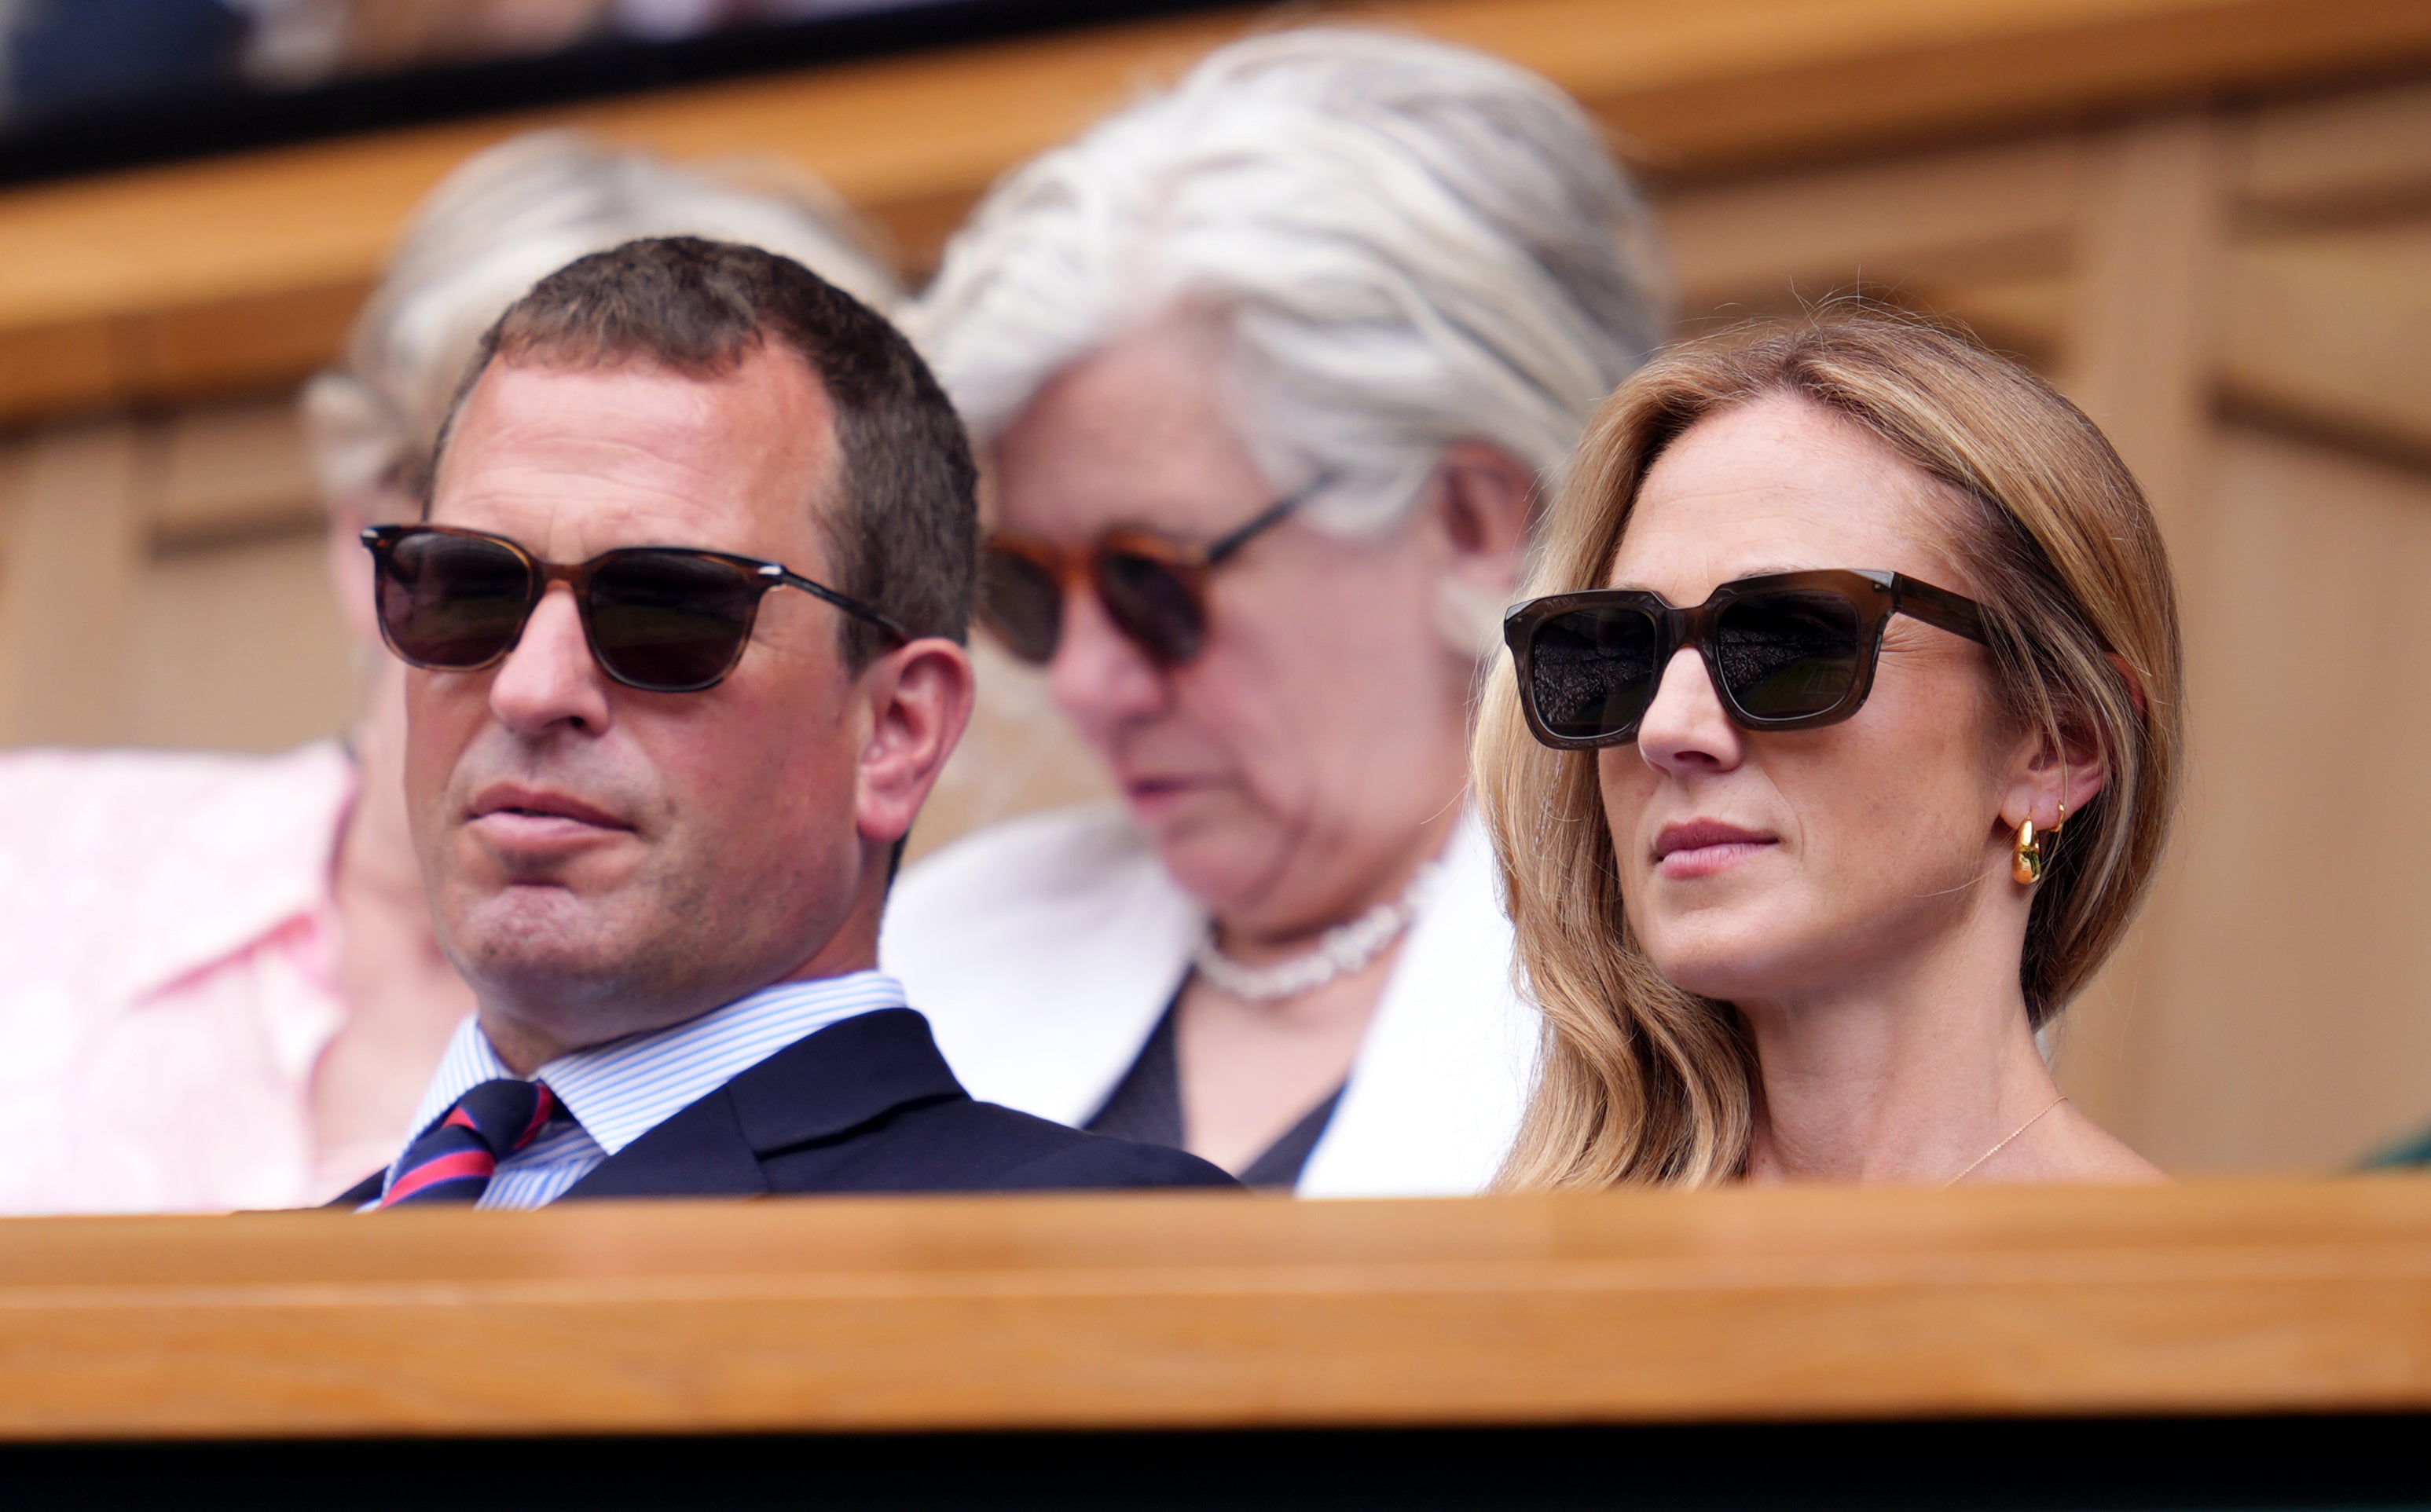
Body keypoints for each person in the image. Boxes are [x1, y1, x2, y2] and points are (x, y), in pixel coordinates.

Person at [0, 131, 901, 1214]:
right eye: (483, 565)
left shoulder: (907, 1064)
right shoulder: (34, 857)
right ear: (362, 540)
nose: (546, 680)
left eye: (669, 604)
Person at [880, 27, 1668, 1194]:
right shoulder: (927, 954)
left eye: (1153, 579)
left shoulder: (1691, 986)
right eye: (1028, 590)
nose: (1087, 683)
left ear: (1470, 520)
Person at [339, 236, 1232, 1207]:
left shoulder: (1088, 1247)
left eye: (665, 609)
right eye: (468, 589)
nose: (530, 687)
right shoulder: (217, 1283)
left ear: (894, 729)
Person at [1475, 313, 2180, 1188]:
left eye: (1786, 645)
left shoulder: (2213, 1300)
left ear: (2057, 748)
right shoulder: (1511, 1282)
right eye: (1618, 652)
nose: (1666, 729)